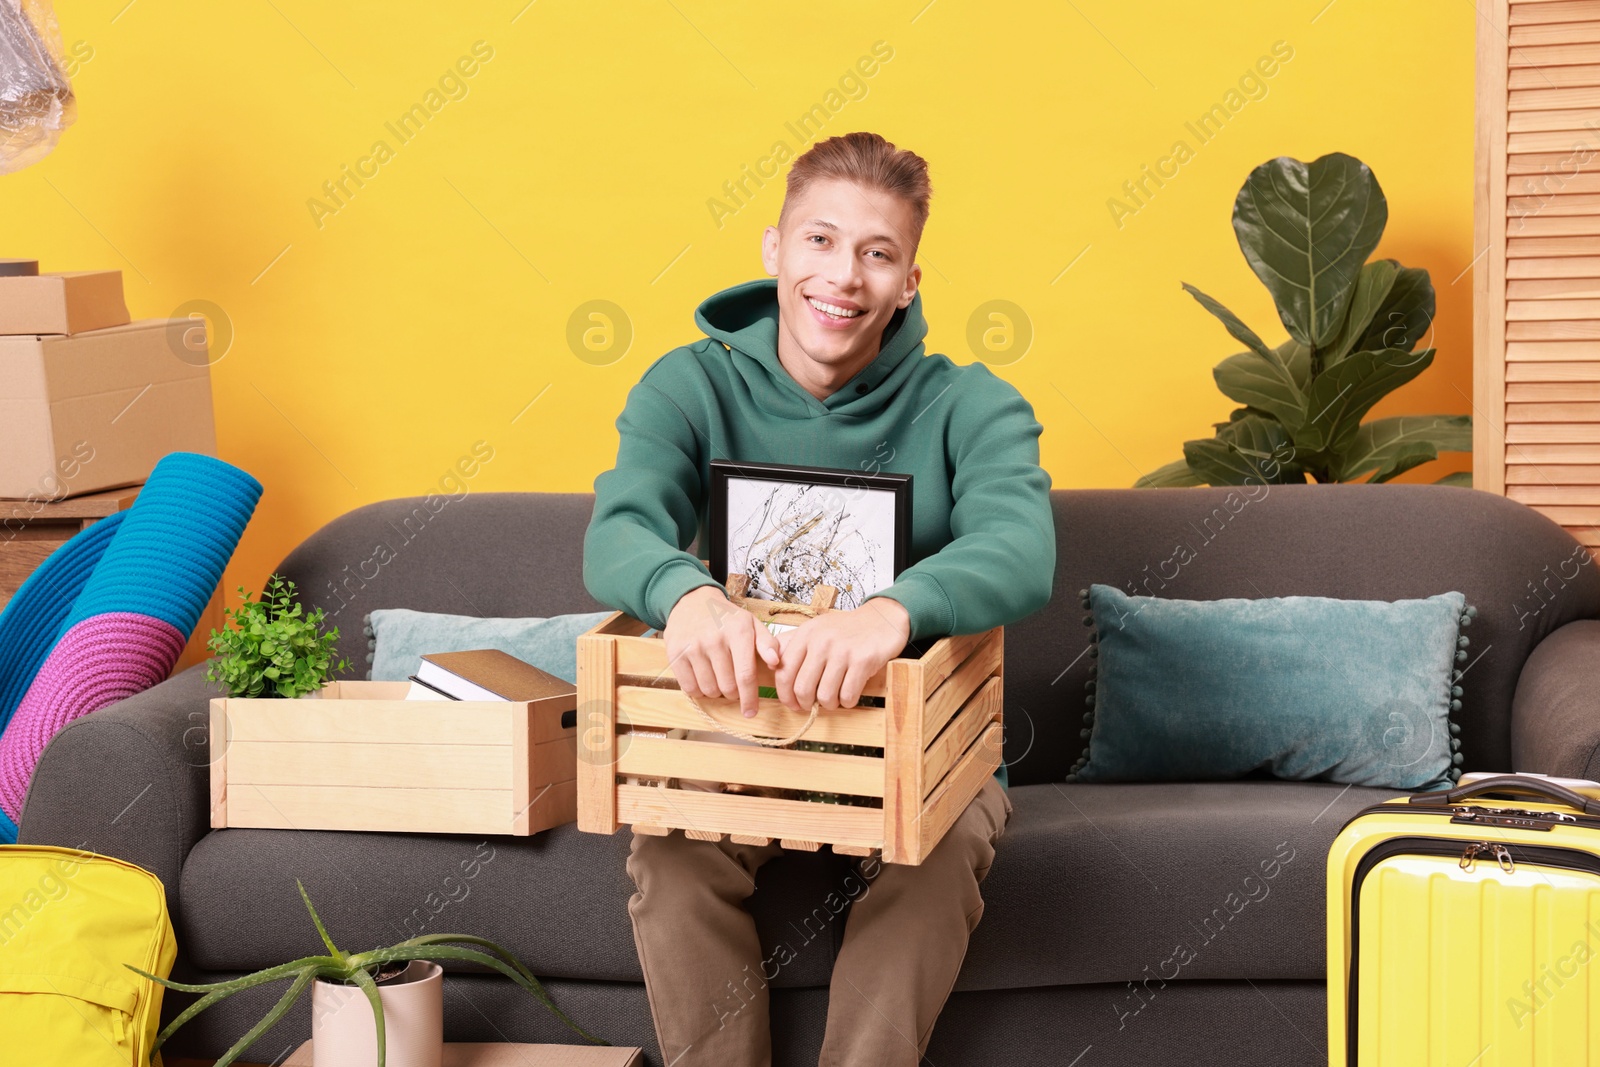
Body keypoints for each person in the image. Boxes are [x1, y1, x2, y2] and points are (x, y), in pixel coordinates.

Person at [582, 130, 1054, 1067]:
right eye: (821, 241)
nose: (844, 276)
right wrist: (685, 596)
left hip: (916, 748)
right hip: (741, 735)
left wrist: (892, 612)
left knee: (944, 845)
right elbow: (618, 531)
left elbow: (1022, 549)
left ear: (910, 281)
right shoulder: (688, 385)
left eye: (878, 254)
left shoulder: (972, 405)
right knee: (668, 852)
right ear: (774, 249)